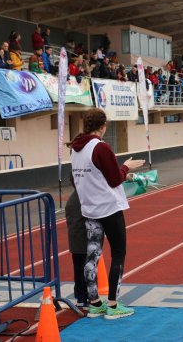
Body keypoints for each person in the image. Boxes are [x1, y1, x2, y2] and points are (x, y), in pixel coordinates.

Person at [70, 108, 145, 320]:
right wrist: (126, 167)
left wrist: (122, 173)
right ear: (103, 127)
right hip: (108, 208)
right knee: (118, 253)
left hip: (90, 209)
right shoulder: (100, 147)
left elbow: (87, 176)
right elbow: (114, 179)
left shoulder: (76, 148)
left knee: (92, 255)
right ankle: (112, 304)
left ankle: (94, 304)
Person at [64, 178, 89, 308]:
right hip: (81, 240)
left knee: (80, 268)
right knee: (83, 269)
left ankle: (81, 296)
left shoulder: (75, 198)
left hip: (77, 240)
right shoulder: (81, 199)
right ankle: (83, 297)